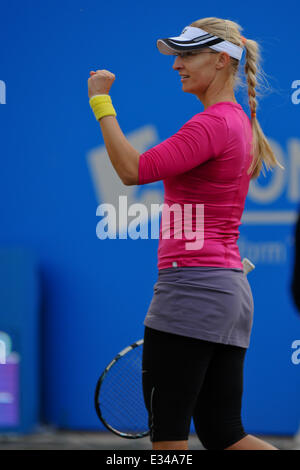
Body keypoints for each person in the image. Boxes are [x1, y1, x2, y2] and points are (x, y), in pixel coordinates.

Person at [88, 17, 284, 450]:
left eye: (188, 54)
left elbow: (131, 169)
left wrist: (100, 101)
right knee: (226, 435)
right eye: (177, 54)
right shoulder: (236, 123)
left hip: (192, 289)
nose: (177, 64)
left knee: (169, 443)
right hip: (225, 292)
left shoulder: (212, 125)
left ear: (220, 60)